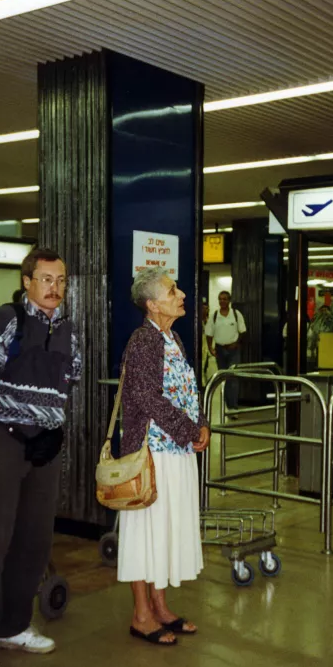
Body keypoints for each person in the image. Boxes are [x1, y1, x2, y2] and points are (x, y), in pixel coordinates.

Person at [0, 247, 82, 667]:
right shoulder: (4, 320)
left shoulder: (69, 330)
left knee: (35, 542)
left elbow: (66, 386)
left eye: (62, 280)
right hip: (3, 440)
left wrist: (54, 429)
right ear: (27, 281)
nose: (55, 288)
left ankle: (13, 626)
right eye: (47, 279)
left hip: (44, 445)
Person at [117, 267, 210, 646]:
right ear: (153, 304)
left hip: (177, 452)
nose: (182, 293)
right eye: (173, 290)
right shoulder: (142, 341)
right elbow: (146, 398)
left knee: (165, 530)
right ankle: (141, 615)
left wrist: (202, 424)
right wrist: (189, 430)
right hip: (151, 454)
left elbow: (188, 388)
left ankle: (161, 607)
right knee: (144, 533)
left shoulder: (174, 339)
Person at [205, 290, 246, 411]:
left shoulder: (236, 314)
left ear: (229, 301)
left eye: (225, 299)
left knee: (232, 377)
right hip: (220, 350)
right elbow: (209, 333)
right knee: (224, 377)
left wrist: (236, 343)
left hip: (233, 350)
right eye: (220, 299)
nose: (222, 301)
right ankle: (227, 405)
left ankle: (233, 407)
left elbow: (243, 331)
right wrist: (210, 348)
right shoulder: (215, 315)